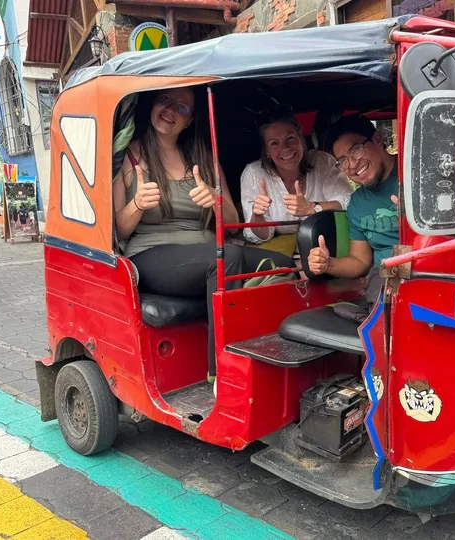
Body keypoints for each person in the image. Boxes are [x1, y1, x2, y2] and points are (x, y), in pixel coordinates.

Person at [113, 86, 293, 382]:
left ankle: (265, 352)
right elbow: (119, 229)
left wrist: (217, 200)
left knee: (283, 263)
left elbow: (233, 223)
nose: (170, 111)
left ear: (190, 119)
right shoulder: (130, 157)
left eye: (181, 108)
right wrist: (137, 204)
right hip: (151, 254)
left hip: (208, 252)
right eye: (165, 101)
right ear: (154, 104)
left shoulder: (204, 159)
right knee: (227, 257)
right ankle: (220, 373)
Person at [307, 116, 399, 314]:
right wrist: (328, 264)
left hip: (427, 269)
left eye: (355, 150)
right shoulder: (357, 203)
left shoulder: (418, 174)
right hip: (385, 278)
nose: (351, 165)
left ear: (377, 140)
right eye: (342, 160)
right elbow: (360, 261)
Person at [240, 112, 353, 257]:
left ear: (301, 140)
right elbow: (259, 236)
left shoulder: (322, 162)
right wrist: (258, 216)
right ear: (267, 151)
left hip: (329, 251)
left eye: (290, 138)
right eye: (274, 143)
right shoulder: (254, 173)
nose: (285, 148)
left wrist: (312, 207)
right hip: (283, 260)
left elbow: (348, 202)